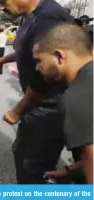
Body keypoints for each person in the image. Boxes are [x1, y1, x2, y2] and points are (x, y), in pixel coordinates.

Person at [0, 0, 74, 184]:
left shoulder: (48, 19)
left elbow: (47, 73)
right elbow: (26, 50)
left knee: (32, 165)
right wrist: (2, 59)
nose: (2, 8)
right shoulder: (29, 16)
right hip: (39, 104)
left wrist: (18, 110)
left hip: (50, 106)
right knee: (24, 155)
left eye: (3, 0)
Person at [33, 23, 93, 184]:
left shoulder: (77, 96)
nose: (37, 68)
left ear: (59, 56)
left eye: (39, 61)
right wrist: (70, 170)